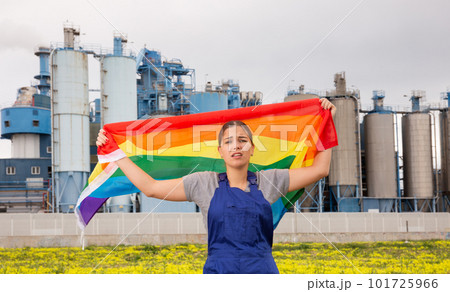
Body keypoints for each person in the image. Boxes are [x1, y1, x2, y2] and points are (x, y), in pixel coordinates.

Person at [96, 98, 336, 274]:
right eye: (229, 142)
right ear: (220, 151)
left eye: (243, 141)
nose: (236, 146)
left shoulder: (270, 181)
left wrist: (327, 123)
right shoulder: (203, 183)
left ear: (252, 149)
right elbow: (150, 187)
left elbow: (319, 170)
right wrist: (115, 154)